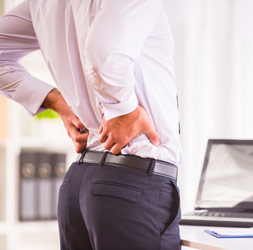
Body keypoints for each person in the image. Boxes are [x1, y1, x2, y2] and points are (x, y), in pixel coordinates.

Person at [0, 0, 183, 249]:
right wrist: (122, 110)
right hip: (130, 183)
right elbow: (104, 52)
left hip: (81, 183)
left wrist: (57, 102)